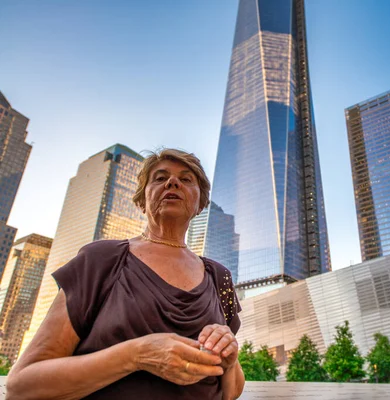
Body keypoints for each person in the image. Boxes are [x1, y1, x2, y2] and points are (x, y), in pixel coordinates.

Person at [6, 149, 245, 399]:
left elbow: (232, 391)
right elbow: (22, 385)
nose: (172, 182)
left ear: (201, 203)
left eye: (186, 179)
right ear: (142, 200)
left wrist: (229, 360)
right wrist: (137, 355)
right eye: (160, 178)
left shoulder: (220, 277)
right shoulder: (101, 259)